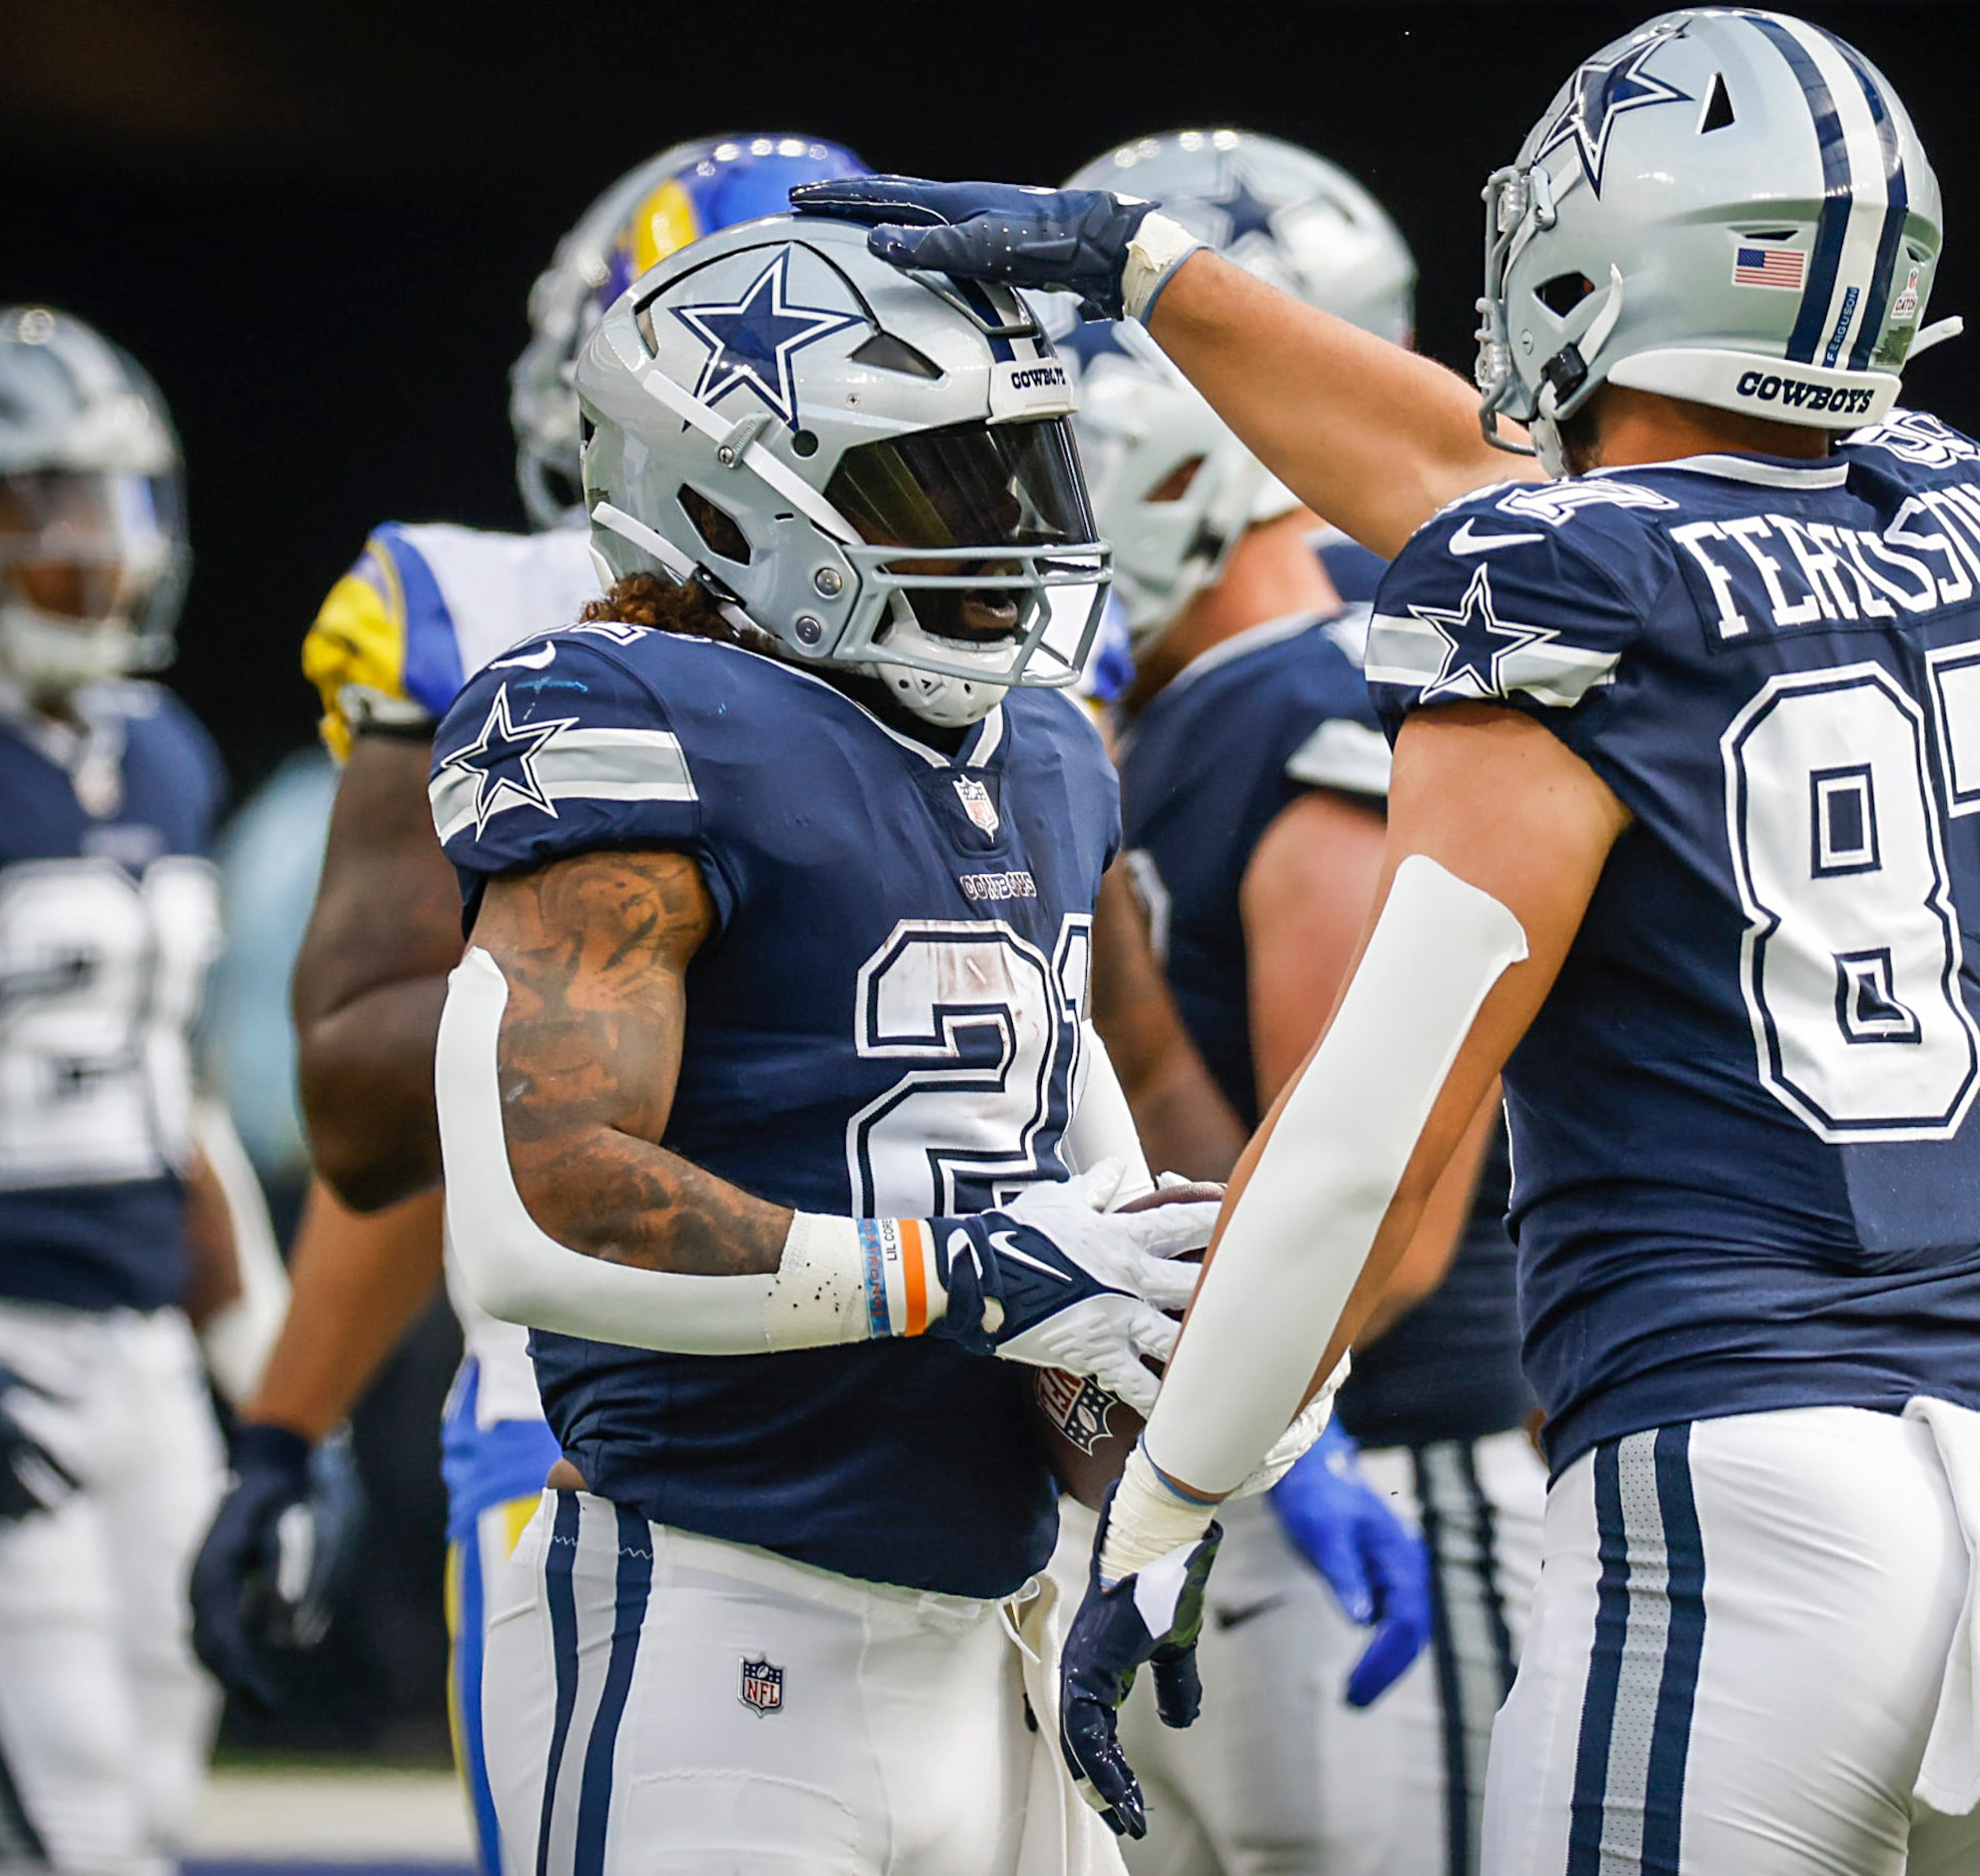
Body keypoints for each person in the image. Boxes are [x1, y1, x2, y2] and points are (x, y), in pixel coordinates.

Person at [799, 10, 1980, 1871]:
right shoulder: (1951, 510)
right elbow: (1501, 477)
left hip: (1734, 1495)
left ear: (1608, 253)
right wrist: (1151, 273)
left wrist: (1175, 1501)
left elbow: (1373, 1137)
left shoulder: (1555, 595)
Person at [431, 207, 1344, 1876]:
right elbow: (534, 1214)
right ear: (728, 499)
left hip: (993, 1630)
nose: (1009, 535)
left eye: (1023, 476)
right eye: (939, 483)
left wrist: (1185, 1403)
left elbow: (1083, 1188)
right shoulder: (622, 718)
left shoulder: (1051, 751)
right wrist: (966, 1275)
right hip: (717, 1602)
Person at [183, 133, 866, 1860]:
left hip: (941, 1411)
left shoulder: (1000, 641)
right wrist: (285, 1418)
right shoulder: (488, 615)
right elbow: (389, 1113)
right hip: (607, 1428)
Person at [1067, 128, 1536, 1876]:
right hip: (1205, 1454)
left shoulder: (1335, 698)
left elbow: (1376, 1160)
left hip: (1364, 1457)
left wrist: (1227, 1439)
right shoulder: (1161, 711)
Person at [0, 304, 287, 1872]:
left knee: (149, 1797)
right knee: (51, 1817)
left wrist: (274, 1383)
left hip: (143, 1353)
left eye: (118, 495)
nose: (94, 542)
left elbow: (182, 1091)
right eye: (39, 500)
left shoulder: (163, 751)